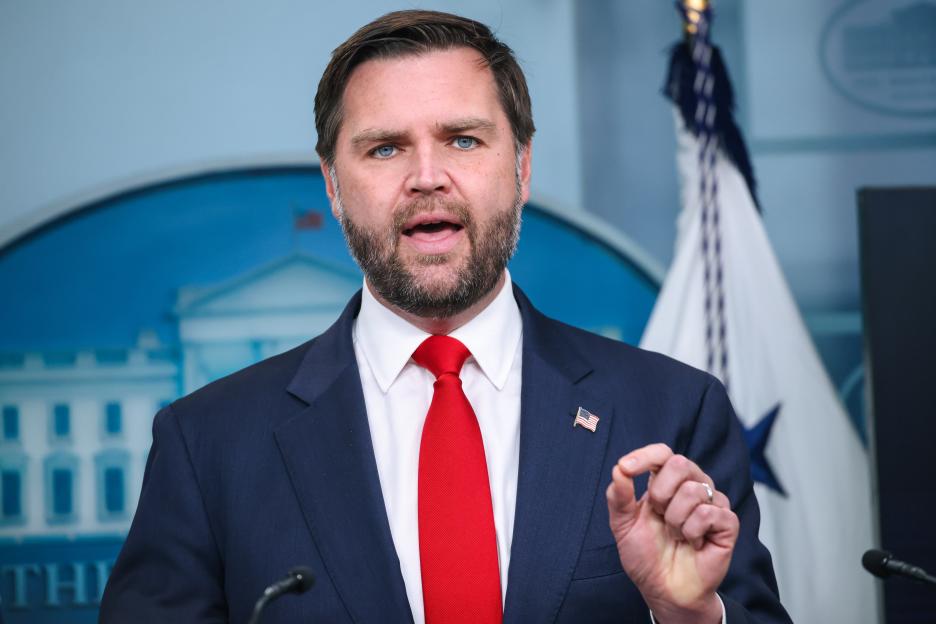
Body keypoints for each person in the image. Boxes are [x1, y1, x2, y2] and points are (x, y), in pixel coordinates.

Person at [101, 10, 790, 624]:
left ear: (521, 168)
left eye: (463, 140)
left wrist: (690, 618)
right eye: (385, 148)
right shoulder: (208, 444)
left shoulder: (672, 410)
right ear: (333, 187)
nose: (427, 175)